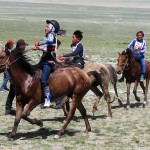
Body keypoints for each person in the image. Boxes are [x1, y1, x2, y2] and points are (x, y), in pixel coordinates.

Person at [33, 20, 60, 108]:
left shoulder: (52, 36)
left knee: (44, 79)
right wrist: (37, 47)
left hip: (49, 61)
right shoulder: (48, 36)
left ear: (52, 28)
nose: (45, 28)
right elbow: (45, 47)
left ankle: (48, 99)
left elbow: (49, 45)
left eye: (47, 27)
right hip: (44, 60)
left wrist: (39, 44)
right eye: (45, 26)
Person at [5, 39, 28, 115]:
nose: (25, 47)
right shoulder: (16, 53)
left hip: (14, 77)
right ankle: (18, 109)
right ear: (21, 46)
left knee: (12, 93)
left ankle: (8, 108)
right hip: (16, 78)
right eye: (24, 45)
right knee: (16, 93)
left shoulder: (15, 52)